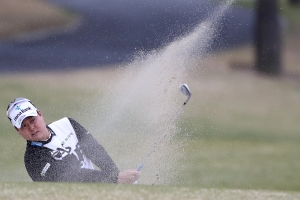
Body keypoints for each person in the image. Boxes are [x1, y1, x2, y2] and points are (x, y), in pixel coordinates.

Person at [6, 97, 140, 183]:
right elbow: (69, 177)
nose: (31, 127)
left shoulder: (67, 124)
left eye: (32, 120)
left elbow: (95, 150)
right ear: (18, 130)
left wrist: (117, 177)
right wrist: (114, 180)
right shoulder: (33, 160)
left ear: (40, 114)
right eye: (24, 125)